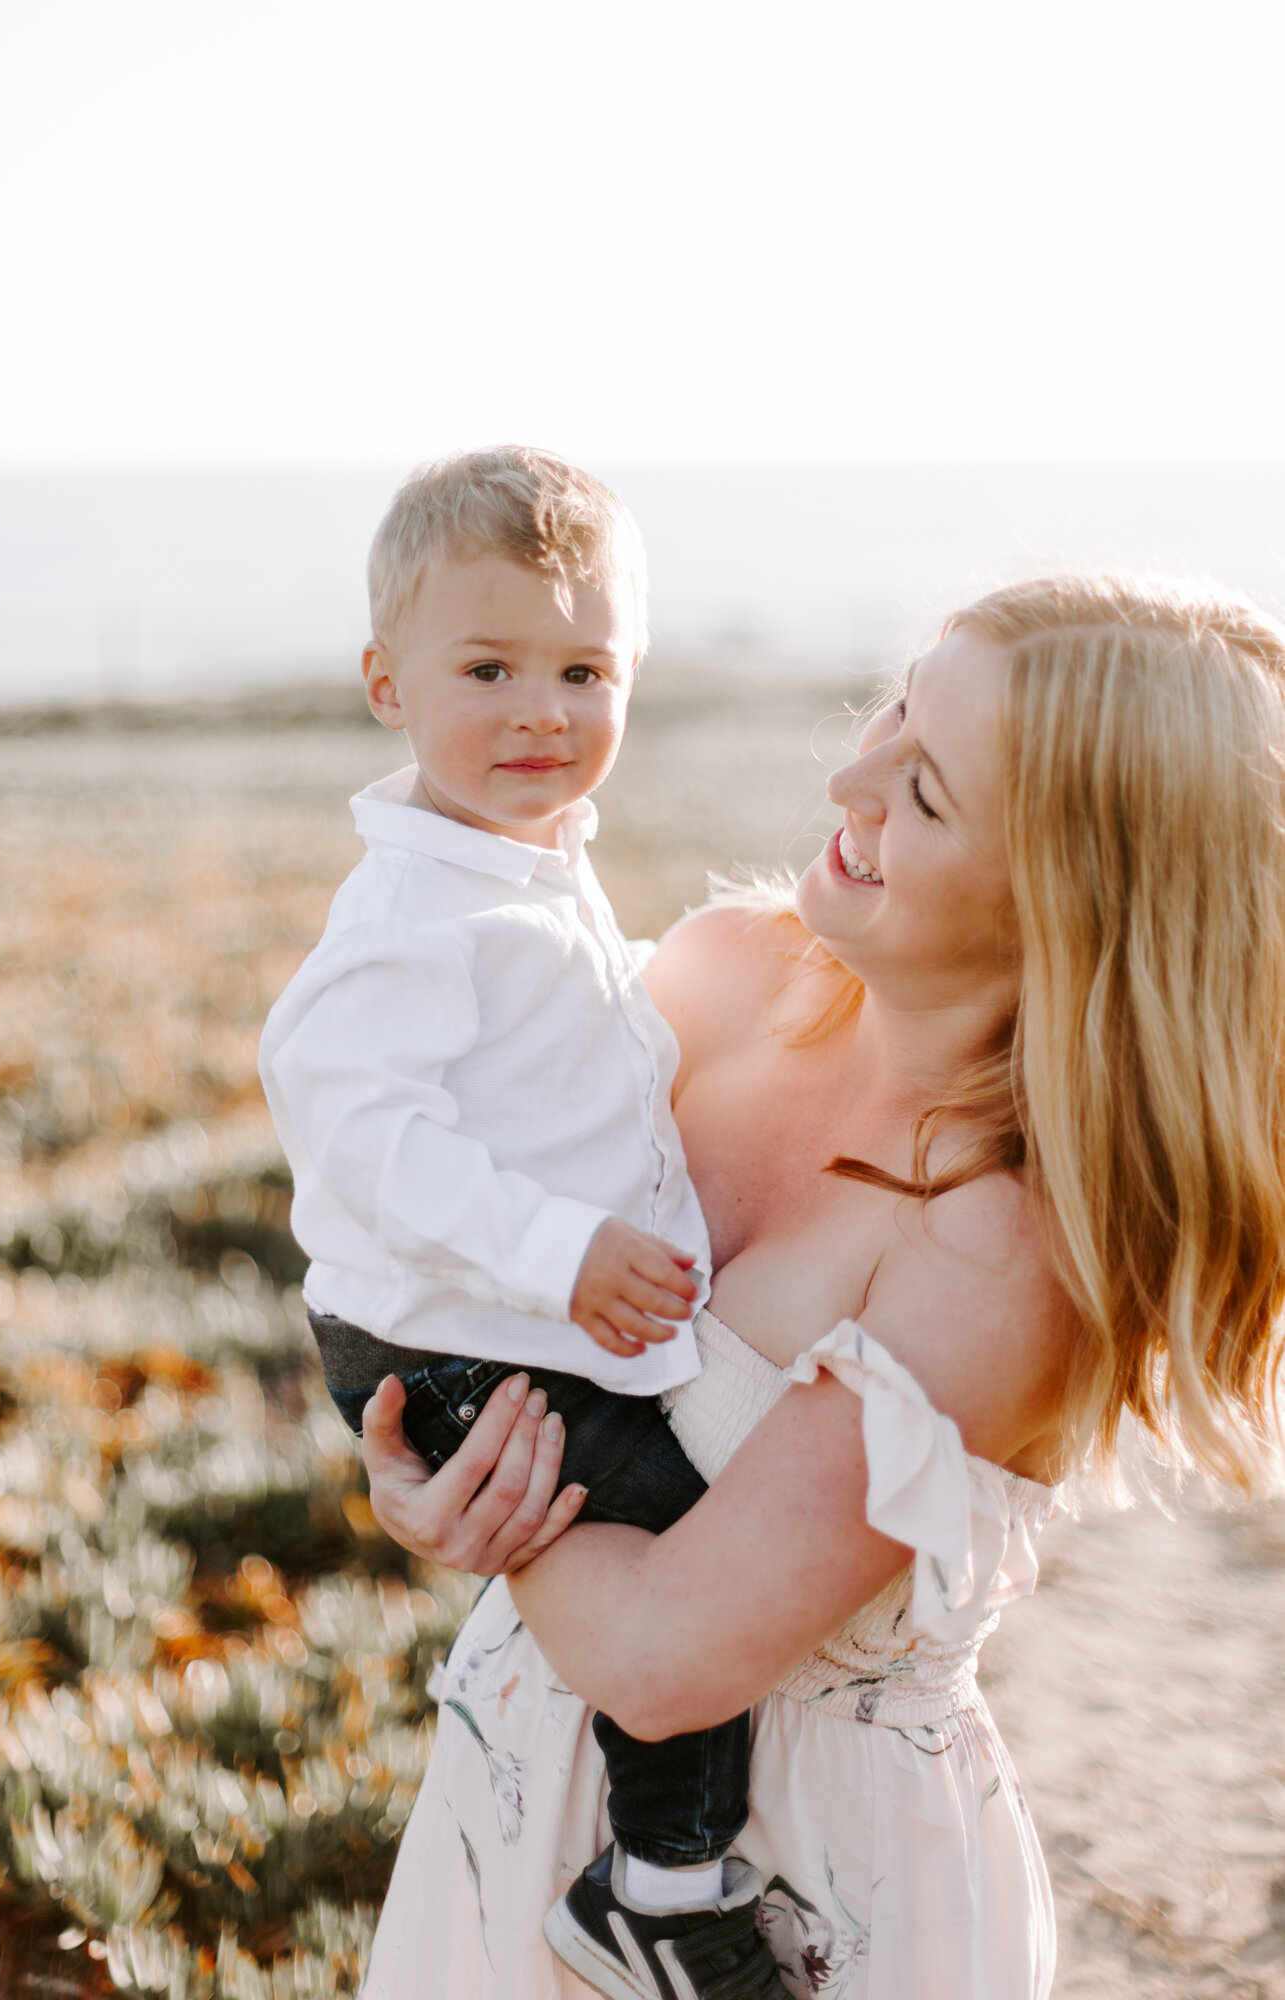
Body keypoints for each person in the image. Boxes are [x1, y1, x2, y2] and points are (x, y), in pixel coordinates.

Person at [355, 573, 1285, 2000]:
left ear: (1071, 889)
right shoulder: (716, 978)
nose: (849, 774)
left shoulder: (1000, 1250)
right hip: (510, 1797)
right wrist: (427, 1466)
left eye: (926, 789)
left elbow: (666, 1661)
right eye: (894, 707)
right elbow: (458, 1262)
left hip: (800, 1900)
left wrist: (508, 1507)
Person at [259, 446, 797, 1998]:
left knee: (666, 1521)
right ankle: (662, 1882)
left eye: (584, 668)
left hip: (494, 1311)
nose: (541, 711)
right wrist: (556, 1252)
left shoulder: (532, 869)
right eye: (485, 667)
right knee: (666, 1528)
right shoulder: (414, 911)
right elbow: (359, 1138)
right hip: (442, 1324)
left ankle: (655, 1859)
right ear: (386, 683)